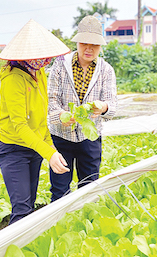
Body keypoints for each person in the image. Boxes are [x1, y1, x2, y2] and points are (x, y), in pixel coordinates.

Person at [0, 19, 70, 224]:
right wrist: (49, 153)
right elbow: (20, 125)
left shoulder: (39, 73)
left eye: (46, 57)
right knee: (21, 210)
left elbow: (40, 120)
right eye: (40, 57)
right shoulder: (13, 79)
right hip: (13, 150)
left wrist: (50, 148)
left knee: (29, 207)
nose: (44, 61)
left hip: (34, 148)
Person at [48, 15, 117, 202]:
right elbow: (51, 101)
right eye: (84, 43)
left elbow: (112, 104)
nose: (89, 48)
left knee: (90, 187)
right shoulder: (60, 66)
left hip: (90, 137)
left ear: (100, 46)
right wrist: (61, 115)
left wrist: (103, 107)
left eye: (94, 44)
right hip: (61, 137)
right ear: (77, 42)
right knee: (59, 189)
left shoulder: (106, 70)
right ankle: (59, 226)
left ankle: (85, 226)